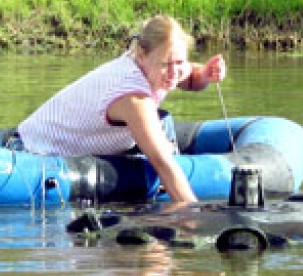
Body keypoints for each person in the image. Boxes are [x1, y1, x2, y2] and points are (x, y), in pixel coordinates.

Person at [17, 15, 226, 202]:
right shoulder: (133, 97)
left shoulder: (151, 64)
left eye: (179, 61)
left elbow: (189, 76)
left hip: (44, 141)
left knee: (163, 122)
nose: (174, 72)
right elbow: (162, 163)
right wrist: (193, 217)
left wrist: (206, 74)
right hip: (34, 155)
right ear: (142, 54)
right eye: (165, 64)